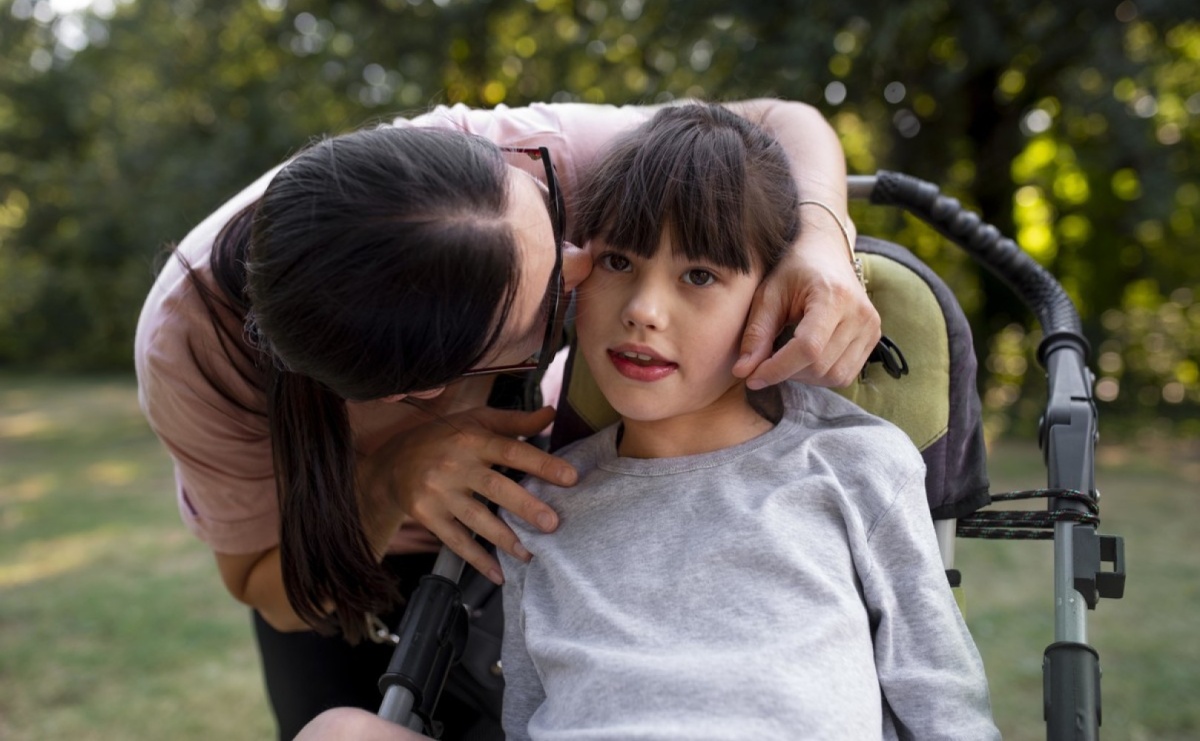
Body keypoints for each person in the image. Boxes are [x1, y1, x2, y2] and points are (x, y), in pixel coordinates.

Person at [134, 99, 879, 740]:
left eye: (554, 218)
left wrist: (822, 235)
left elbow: (782, 121)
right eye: (556, 290)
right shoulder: (190, 350)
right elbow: (262, 581)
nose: (588, 263)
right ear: (435, 388)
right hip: (346, 564)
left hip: (533, 517)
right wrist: (392, 483)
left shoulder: (502, 165)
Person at [497, 104, 1000, 740]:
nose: (645, 310)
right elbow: (523, 718)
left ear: (774, 300)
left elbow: (944, 705)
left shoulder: (854, 466)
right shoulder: (537, 508)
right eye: (619, 262)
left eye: (699, 275)